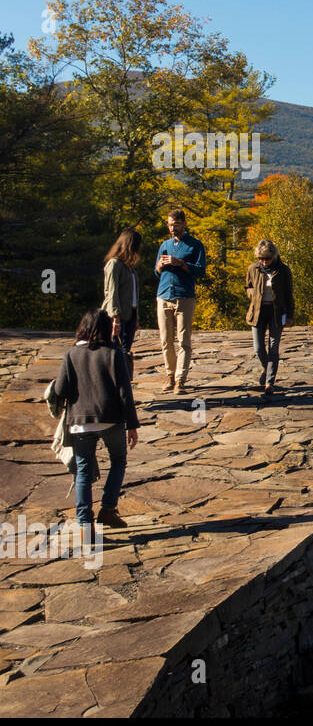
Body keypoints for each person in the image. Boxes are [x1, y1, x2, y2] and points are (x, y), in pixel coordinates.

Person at [51, 309, 139, 529]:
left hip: (80, 421)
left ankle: (85, 524)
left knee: (83, 471)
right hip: (111, 419)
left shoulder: (71, 354)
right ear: (104, 328)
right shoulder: (113, 353)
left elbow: (61, 389)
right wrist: (132, 425)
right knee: (118, 460)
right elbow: (124, 392)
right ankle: (108, 509)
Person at [155, 208, 206, 394]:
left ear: (184, 223)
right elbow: (156, 271)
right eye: (169, 225)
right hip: (163, 296)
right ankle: (170, 376)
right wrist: (160, 265)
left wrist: (181, 264)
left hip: (184, 296)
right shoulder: (164, 245)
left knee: (183, 340)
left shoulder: (195, 245)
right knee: (165, 340)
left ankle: (180, 380)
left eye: (175, 224)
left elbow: (201, 270)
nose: (172, 228)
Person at [245, 239, 295, 397]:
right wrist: (252, 294)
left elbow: (289, 294)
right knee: (258, 348)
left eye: (266, 258)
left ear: (274, 256)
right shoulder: (253, 268)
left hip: (277, 312)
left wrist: (290, 315)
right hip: (258, 312)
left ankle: (269, 383)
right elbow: (248, 286)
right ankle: (268, 370)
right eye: (260, 258)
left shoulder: (283, 270)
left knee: (273, 348)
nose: (263, 261)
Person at [102, 228, 142, 381]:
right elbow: (111, 293)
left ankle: (122, 389)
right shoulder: (114, 264)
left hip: (130, 314)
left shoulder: (129, 267)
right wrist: (115, 318)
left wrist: (136, 317)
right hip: (117, 315)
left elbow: (133, 295)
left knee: (125, 354)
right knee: (114, 354)